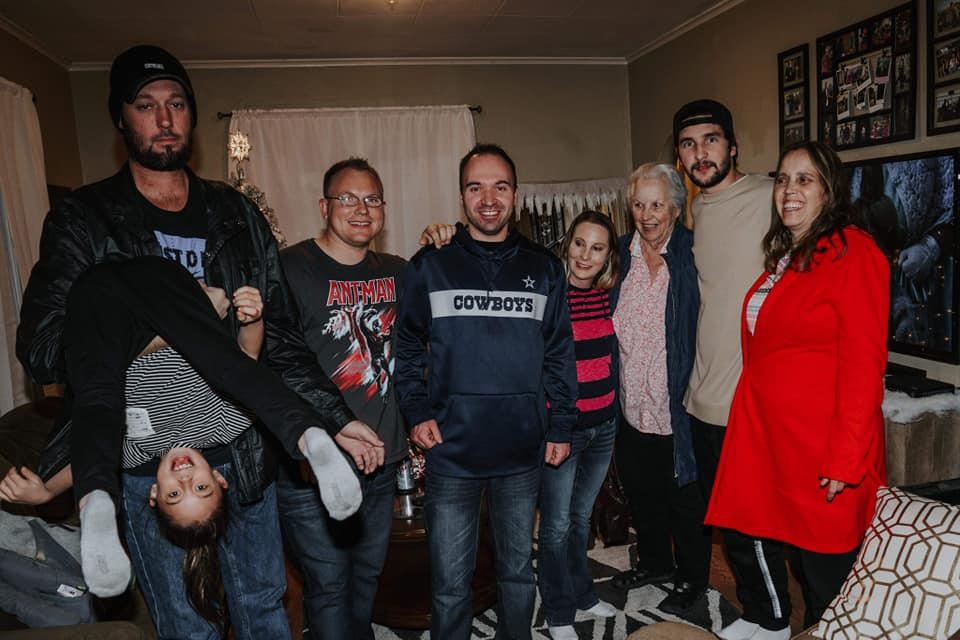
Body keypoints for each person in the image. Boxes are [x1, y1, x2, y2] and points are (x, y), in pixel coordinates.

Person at [15, 44, 383, 640]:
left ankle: (309, 435)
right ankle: (98, 500)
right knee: (186, 624)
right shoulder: (83, 218)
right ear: (121, 119)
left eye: (177, 104)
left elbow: (278, 339)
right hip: (144, 466)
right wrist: (168, 332)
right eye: (146, 105)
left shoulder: (236, 214)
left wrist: (336, 418)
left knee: (263, 606)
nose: (165, 119)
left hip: (238, 453)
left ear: (190, 114)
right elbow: (43, 349)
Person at [706, 141, 889, 638]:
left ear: (830, 190)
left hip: (823, 447)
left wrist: (845, 460)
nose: (789, 190)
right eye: (783, 179)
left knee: (827, 577)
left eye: (805, 179)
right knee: (780, 549)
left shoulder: (854, 252)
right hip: (776, 440)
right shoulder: (788, 254)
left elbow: (863, 366)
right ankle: (773, 623)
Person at [395, 143, 578, 640]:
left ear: (516, 194)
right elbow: (406, 347)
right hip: (452, 451)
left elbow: (559, 352)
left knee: (516, 574)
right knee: (450, 584)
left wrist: (562, 424)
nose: (489, 199)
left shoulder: (545, 267)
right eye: (476, 187)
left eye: (500, 187)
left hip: (521, 451)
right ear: (462, 197)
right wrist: (416, 412)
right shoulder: (430, 265)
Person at [278, 157, 408, 639]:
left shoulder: (399, 272)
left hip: (381, 458)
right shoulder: (290, 268)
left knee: (367, 575)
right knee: (329, 585)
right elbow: (277, 364)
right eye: (348, 198)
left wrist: (444, 240)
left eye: (372, 199)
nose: (361, 209)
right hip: (314, 464)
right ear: (324, 206)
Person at [672, 99, 775, 640]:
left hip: (747, 397)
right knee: (730, 521)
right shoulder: (699, 211)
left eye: (711, 140)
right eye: (689, 144)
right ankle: (758, 611)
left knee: (753, 517)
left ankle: (774, 620)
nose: (701, 153)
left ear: (732, 145)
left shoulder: (769, 196)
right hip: (702, 396)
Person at [608, 164, 711, 616]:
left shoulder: (693, 253)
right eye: (638, 204)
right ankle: (654, 563)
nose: (647, 215)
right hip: (630, 405)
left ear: (675, 207)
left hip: (678, 405)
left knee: (684, 499)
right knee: (642, 491)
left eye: (657, 205)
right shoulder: (619, 255)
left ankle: (692, 577)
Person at [537, 210, 619, 640]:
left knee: (581, 517)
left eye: (597, 248)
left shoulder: (608, 296)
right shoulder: (550, 296)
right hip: (563, 430)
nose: (586, 256)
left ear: (608, 257)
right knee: (555, 526)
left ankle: (583, 593)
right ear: (567, 244)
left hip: (605, 425)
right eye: (580, 244)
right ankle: (558, 611)